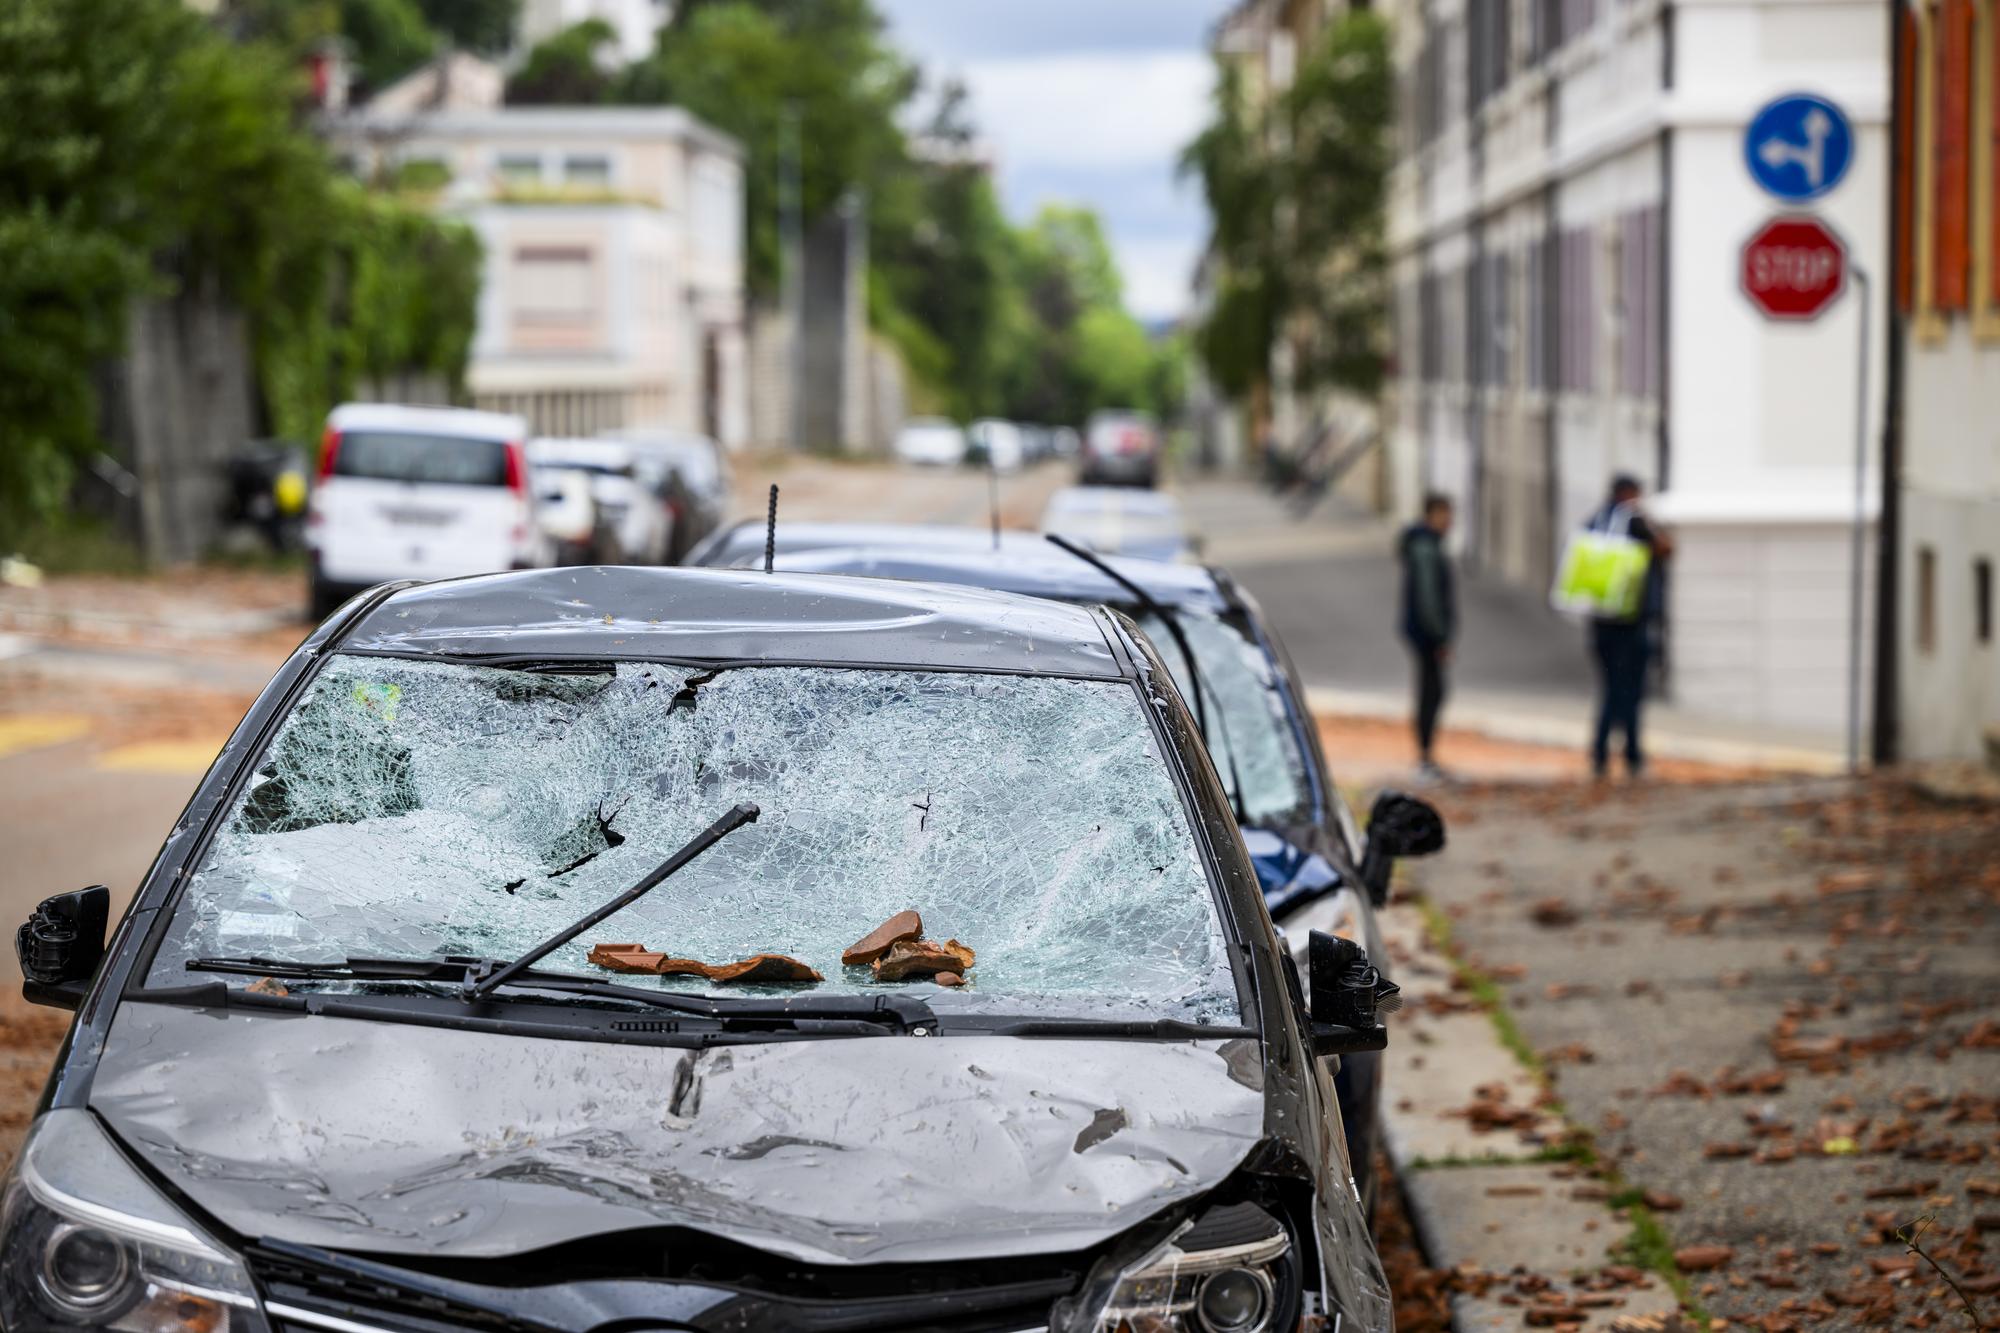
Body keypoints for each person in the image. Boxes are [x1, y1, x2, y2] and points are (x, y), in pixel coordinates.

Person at [1583, 474, 1672, 778]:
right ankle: (1631, 754)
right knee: (1629, 691)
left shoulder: (1596, 522)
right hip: (1631, 622)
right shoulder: (1636, 524)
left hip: (1602, 621)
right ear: (1629, 495)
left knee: (1610, 689)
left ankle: (1601, 752)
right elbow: (1665, 549)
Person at [1398, 493, 1456, 779]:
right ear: (1432, 515)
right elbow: (1428, 598)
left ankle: (1426, 755)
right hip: (1426, 634)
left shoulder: (1426, 544)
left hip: (1423, 632)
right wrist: (1440, 636)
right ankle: (1424, 756)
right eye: (1445, 515)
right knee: (1431, 693)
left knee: (1432, 691)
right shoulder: (1425, 548)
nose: (1449, 522)